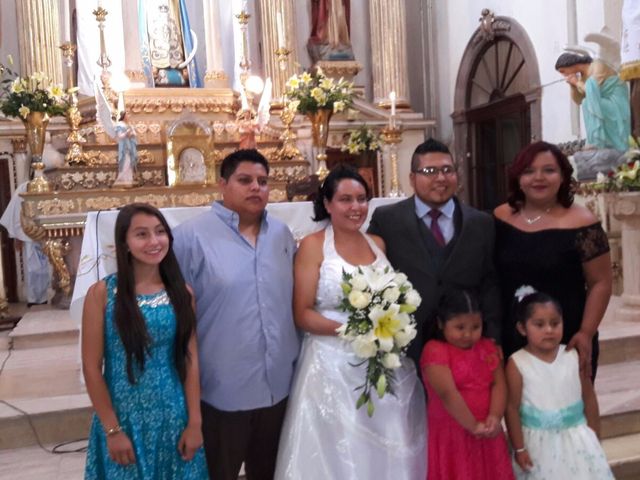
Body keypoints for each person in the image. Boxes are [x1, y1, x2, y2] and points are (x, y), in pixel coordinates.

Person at [275, 165, 426, 479]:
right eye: (345, 199)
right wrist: (354, 330)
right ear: (327, 204)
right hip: (329, 367)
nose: (355, 207)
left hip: (379, 360)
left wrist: (389, 327)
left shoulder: (377, 244)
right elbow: (302, 313)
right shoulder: (313, 246)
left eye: (361, 199)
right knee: (337, 452)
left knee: (384, 442)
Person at [172, 149, 300, 480]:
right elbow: (177, 320)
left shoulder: (282, 235)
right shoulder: (190, 238)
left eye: (263, 181)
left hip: (278, 387)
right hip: (221, 391)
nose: (256, 188)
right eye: (245, 180)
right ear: (222, 184)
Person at [82, 203, 208, 479]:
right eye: (141, 234)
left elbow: (190, 359)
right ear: (124, 243)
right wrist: (112, 430)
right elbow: (92, 367)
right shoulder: (103, 294)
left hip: (173, 415)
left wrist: (195, 422)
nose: (154, 241)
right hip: (124, 417)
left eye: (160, 232)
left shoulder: (181, 293)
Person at [368, 138, 501, 368]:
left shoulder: (481, 223)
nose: (440, 178)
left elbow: (490, 283)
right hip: (406, 345)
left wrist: (493, 337)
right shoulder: (387, 220)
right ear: (412, 178)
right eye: (430, 171)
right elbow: (373, 275)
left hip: (465, 342)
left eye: (447, 170)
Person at [494, 141, 612, 379]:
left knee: (568, 412)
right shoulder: (500, 217)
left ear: (562, 176)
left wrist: (586, 332)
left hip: (565, 336)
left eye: (549, 170)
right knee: (519, 411)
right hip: (512, 335)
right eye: (529, 171)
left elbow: (601, 282)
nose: (539, 178)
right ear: (518, 177)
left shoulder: (582, 222)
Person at [505, 288, 614, 479]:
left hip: (578, 441)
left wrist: (594, 436)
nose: (549, 330)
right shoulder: (517, 363)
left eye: (555, 323)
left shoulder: (573, 356)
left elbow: (588, 397)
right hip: (537, 445)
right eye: (539, 324)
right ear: (522, 328)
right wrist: (519, 447)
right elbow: (511, 408)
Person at [421, 289, 514, 479]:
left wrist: (495, 416)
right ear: (441, 324)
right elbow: (448, 393)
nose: (468, 334)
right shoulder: (435, 350)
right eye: (460, 327)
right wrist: (472, 426)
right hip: (453, 432)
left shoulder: (487, 347)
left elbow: (499, 384)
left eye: (475, 327)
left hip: (487, 430)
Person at [555, 51, 630, 151]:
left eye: (563, 71)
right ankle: (596, 139)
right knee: (586, 103)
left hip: (616, 103)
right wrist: (572, 86)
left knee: (588, 102)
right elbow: (578, 101)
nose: (563, 75)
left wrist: (577, 83)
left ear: (569, 64)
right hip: (603, 103)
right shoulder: (583, 78)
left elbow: (594, 92)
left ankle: (598, 141)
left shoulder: (597, 65)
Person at [0, 181, 50, 305]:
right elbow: (17, 211)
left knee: (46, 268)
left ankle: (43, 297)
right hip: (29, 233)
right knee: (32, 269)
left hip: (46, 232)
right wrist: (18, 235)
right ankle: (33, 298)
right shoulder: (24, 187)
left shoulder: (50, 184)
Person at [113, 112, 138, 187]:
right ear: (124, 116)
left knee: (130, 163)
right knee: (125, 162)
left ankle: (129, 180)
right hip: (124, 146)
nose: (129, 116)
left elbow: (134, 134)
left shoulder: (129, 125)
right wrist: (127, 133)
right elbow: (120, 136)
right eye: (128, 115)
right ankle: (122, 179)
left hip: (130, 145)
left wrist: (131, 134)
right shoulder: (120, 124)